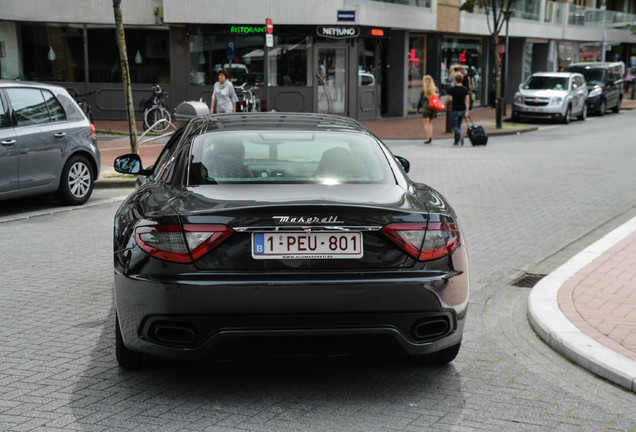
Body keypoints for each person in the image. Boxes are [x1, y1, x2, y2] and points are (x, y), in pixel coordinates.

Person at [444, 72, 470, 146]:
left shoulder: (453, 89)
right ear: (461, 80)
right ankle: (456, 141)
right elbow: (467, 101)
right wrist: (467, 111)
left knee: (454, 126)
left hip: (455, 109)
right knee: (458, 125)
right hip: (462, 110)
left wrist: (445, 105)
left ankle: (460, 134)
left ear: (455, 80)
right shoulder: (465, 89)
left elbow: (447, 99)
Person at [416, 75, 438, 144]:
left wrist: (418, 108)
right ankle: (430, 137)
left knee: (426, 124)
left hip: (426, 108)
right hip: (433, 108)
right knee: (430, 123)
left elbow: (420, 100)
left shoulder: (423, 90)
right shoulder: (435, 89)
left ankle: (427, 138)